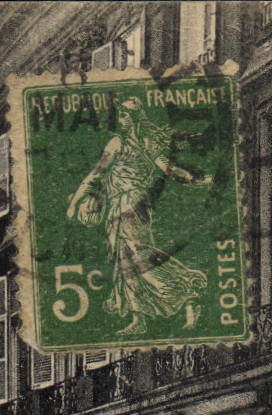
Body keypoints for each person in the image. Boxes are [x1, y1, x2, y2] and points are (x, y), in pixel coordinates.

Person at [66, 97, 210, 337]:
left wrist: (192, 178)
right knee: (125, 263)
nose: (121, 119)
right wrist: (75, 202)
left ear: (134, 118)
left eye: (125, 115)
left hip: (132, 205)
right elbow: (97, 174)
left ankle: (187, 291)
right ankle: (138, 318)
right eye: (121, 115)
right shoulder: (127, 143)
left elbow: (167, 169)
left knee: (139, 255)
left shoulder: (134, 143)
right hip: (118, 207)